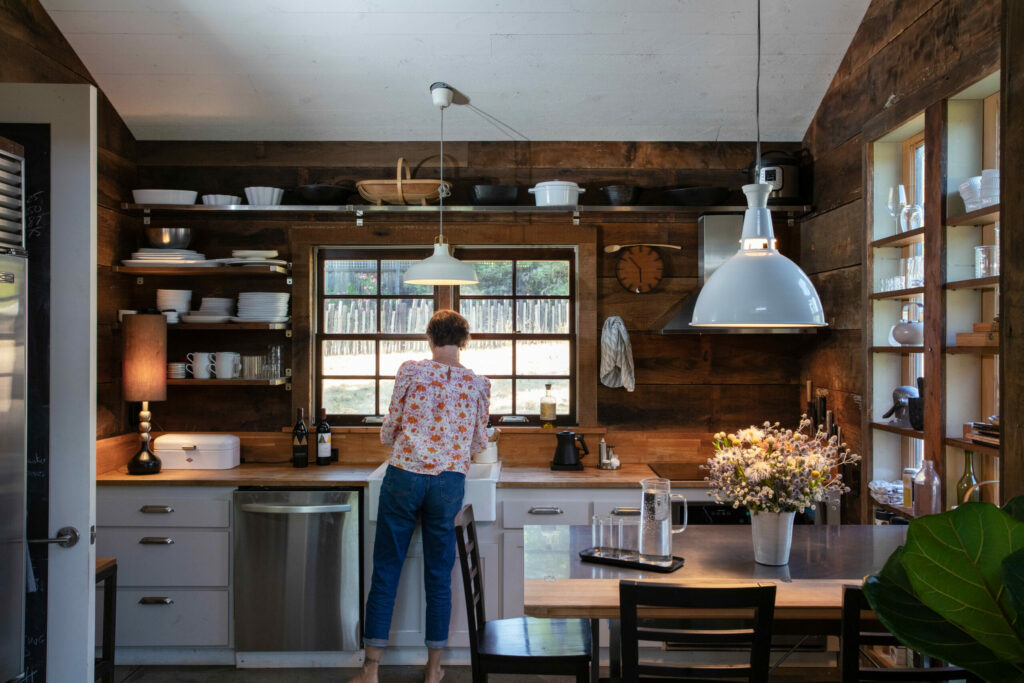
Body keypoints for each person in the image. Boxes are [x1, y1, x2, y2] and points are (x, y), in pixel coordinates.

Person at [351, 309, 491, 683]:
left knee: (385, 571)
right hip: (448, 482)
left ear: (430, 339)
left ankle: (371, 670)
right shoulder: (477, 383)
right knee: (438, 576)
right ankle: (433, 671)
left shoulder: (411, 371)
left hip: (405, 476)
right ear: (464, 342)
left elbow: (389, 430)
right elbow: (479, 442)